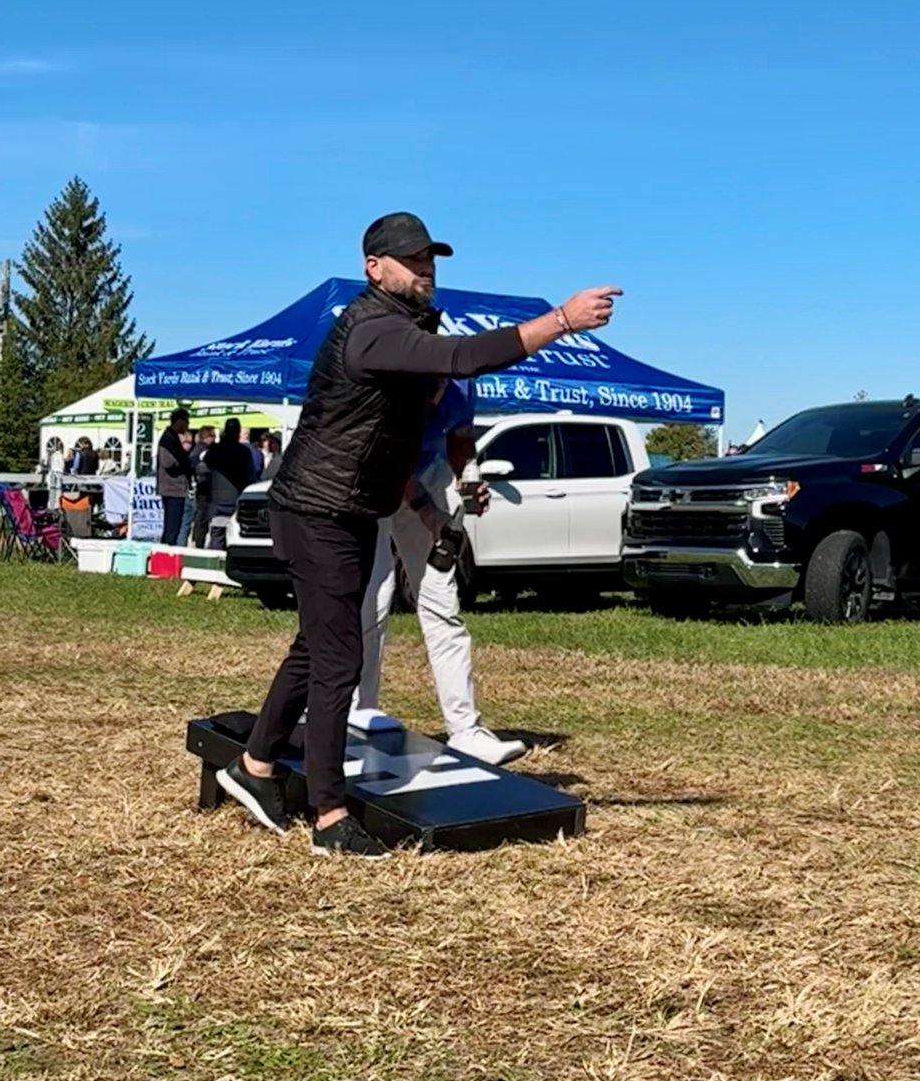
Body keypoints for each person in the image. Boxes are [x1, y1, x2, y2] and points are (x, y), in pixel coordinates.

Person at [216, 211, 620, 856]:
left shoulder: (402, 328)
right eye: (412, 259)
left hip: (345, 507)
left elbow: (393, 440)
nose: (425, 268)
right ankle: (329, 817)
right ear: (374, 268)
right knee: (339, 661)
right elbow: (464, 358)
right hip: (319, 510)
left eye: (430, 258)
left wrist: (431, 512)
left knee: (315, 649)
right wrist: (561, 321)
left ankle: (254, 767)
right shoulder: (372, 329)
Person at [354, 372, 525, 765]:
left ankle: (465, 731)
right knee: (373, 599)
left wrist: (468, 479)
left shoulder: (463, 382)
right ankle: (358, 712)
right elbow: (391, 459)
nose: (441, 392)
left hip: (428, 473)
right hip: (374, 475)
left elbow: (460, 439)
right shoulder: (389, 377)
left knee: (442, 603)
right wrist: (426, 510)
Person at [203, 418, 258, 548]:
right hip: (236, 500)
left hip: (216, 500)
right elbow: (251, 476)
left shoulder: (215, 450)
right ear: (238, 433)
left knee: (217, 536)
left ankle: (217, 558)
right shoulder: (243, 452)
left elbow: (203, 470)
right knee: (236, 537)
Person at [156, 409, 194, 545]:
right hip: (172, 488)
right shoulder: (168, 439)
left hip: (174, 488)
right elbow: (167, 462)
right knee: (172, 529)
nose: (188, 425)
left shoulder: (172, 437)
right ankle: (167, 553)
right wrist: (184, 462)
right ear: (179, 421)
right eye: (186, 421)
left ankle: (166, 551)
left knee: (173, 528)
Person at [189, 425, 216, 548]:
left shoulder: (196, 450)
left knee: (200, 515)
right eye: (213, 436)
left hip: (201, 487)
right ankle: (199, 541)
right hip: (205, 487)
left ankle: (197, 538)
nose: (214, 439)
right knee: (203, 515)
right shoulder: (203, 451)